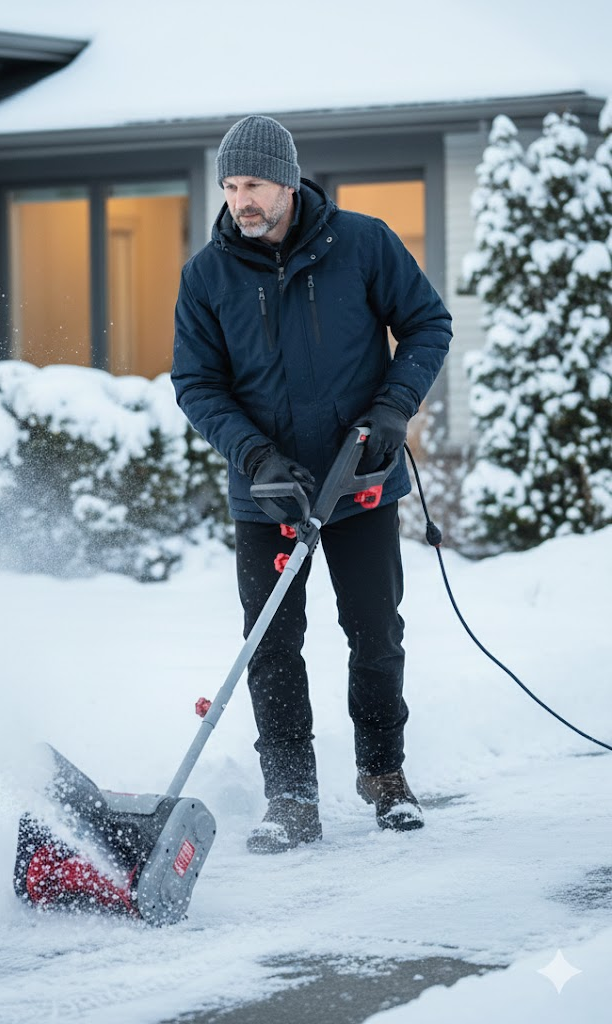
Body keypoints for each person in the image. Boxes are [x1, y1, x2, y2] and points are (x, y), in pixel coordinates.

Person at [171, 115, 452, 854]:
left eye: (255, 184)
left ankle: (384, 776)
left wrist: (393, 407)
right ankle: (291, 797)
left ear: (289, 182)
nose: (241, 201)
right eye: (231, 186)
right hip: (268, 491)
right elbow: (196, 383)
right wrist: (254, 456)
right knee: (271, 645)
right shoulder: (207, 276)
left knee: (375, 631)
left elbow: (428, 324)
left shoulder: (363, 244)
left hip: (359, 477)